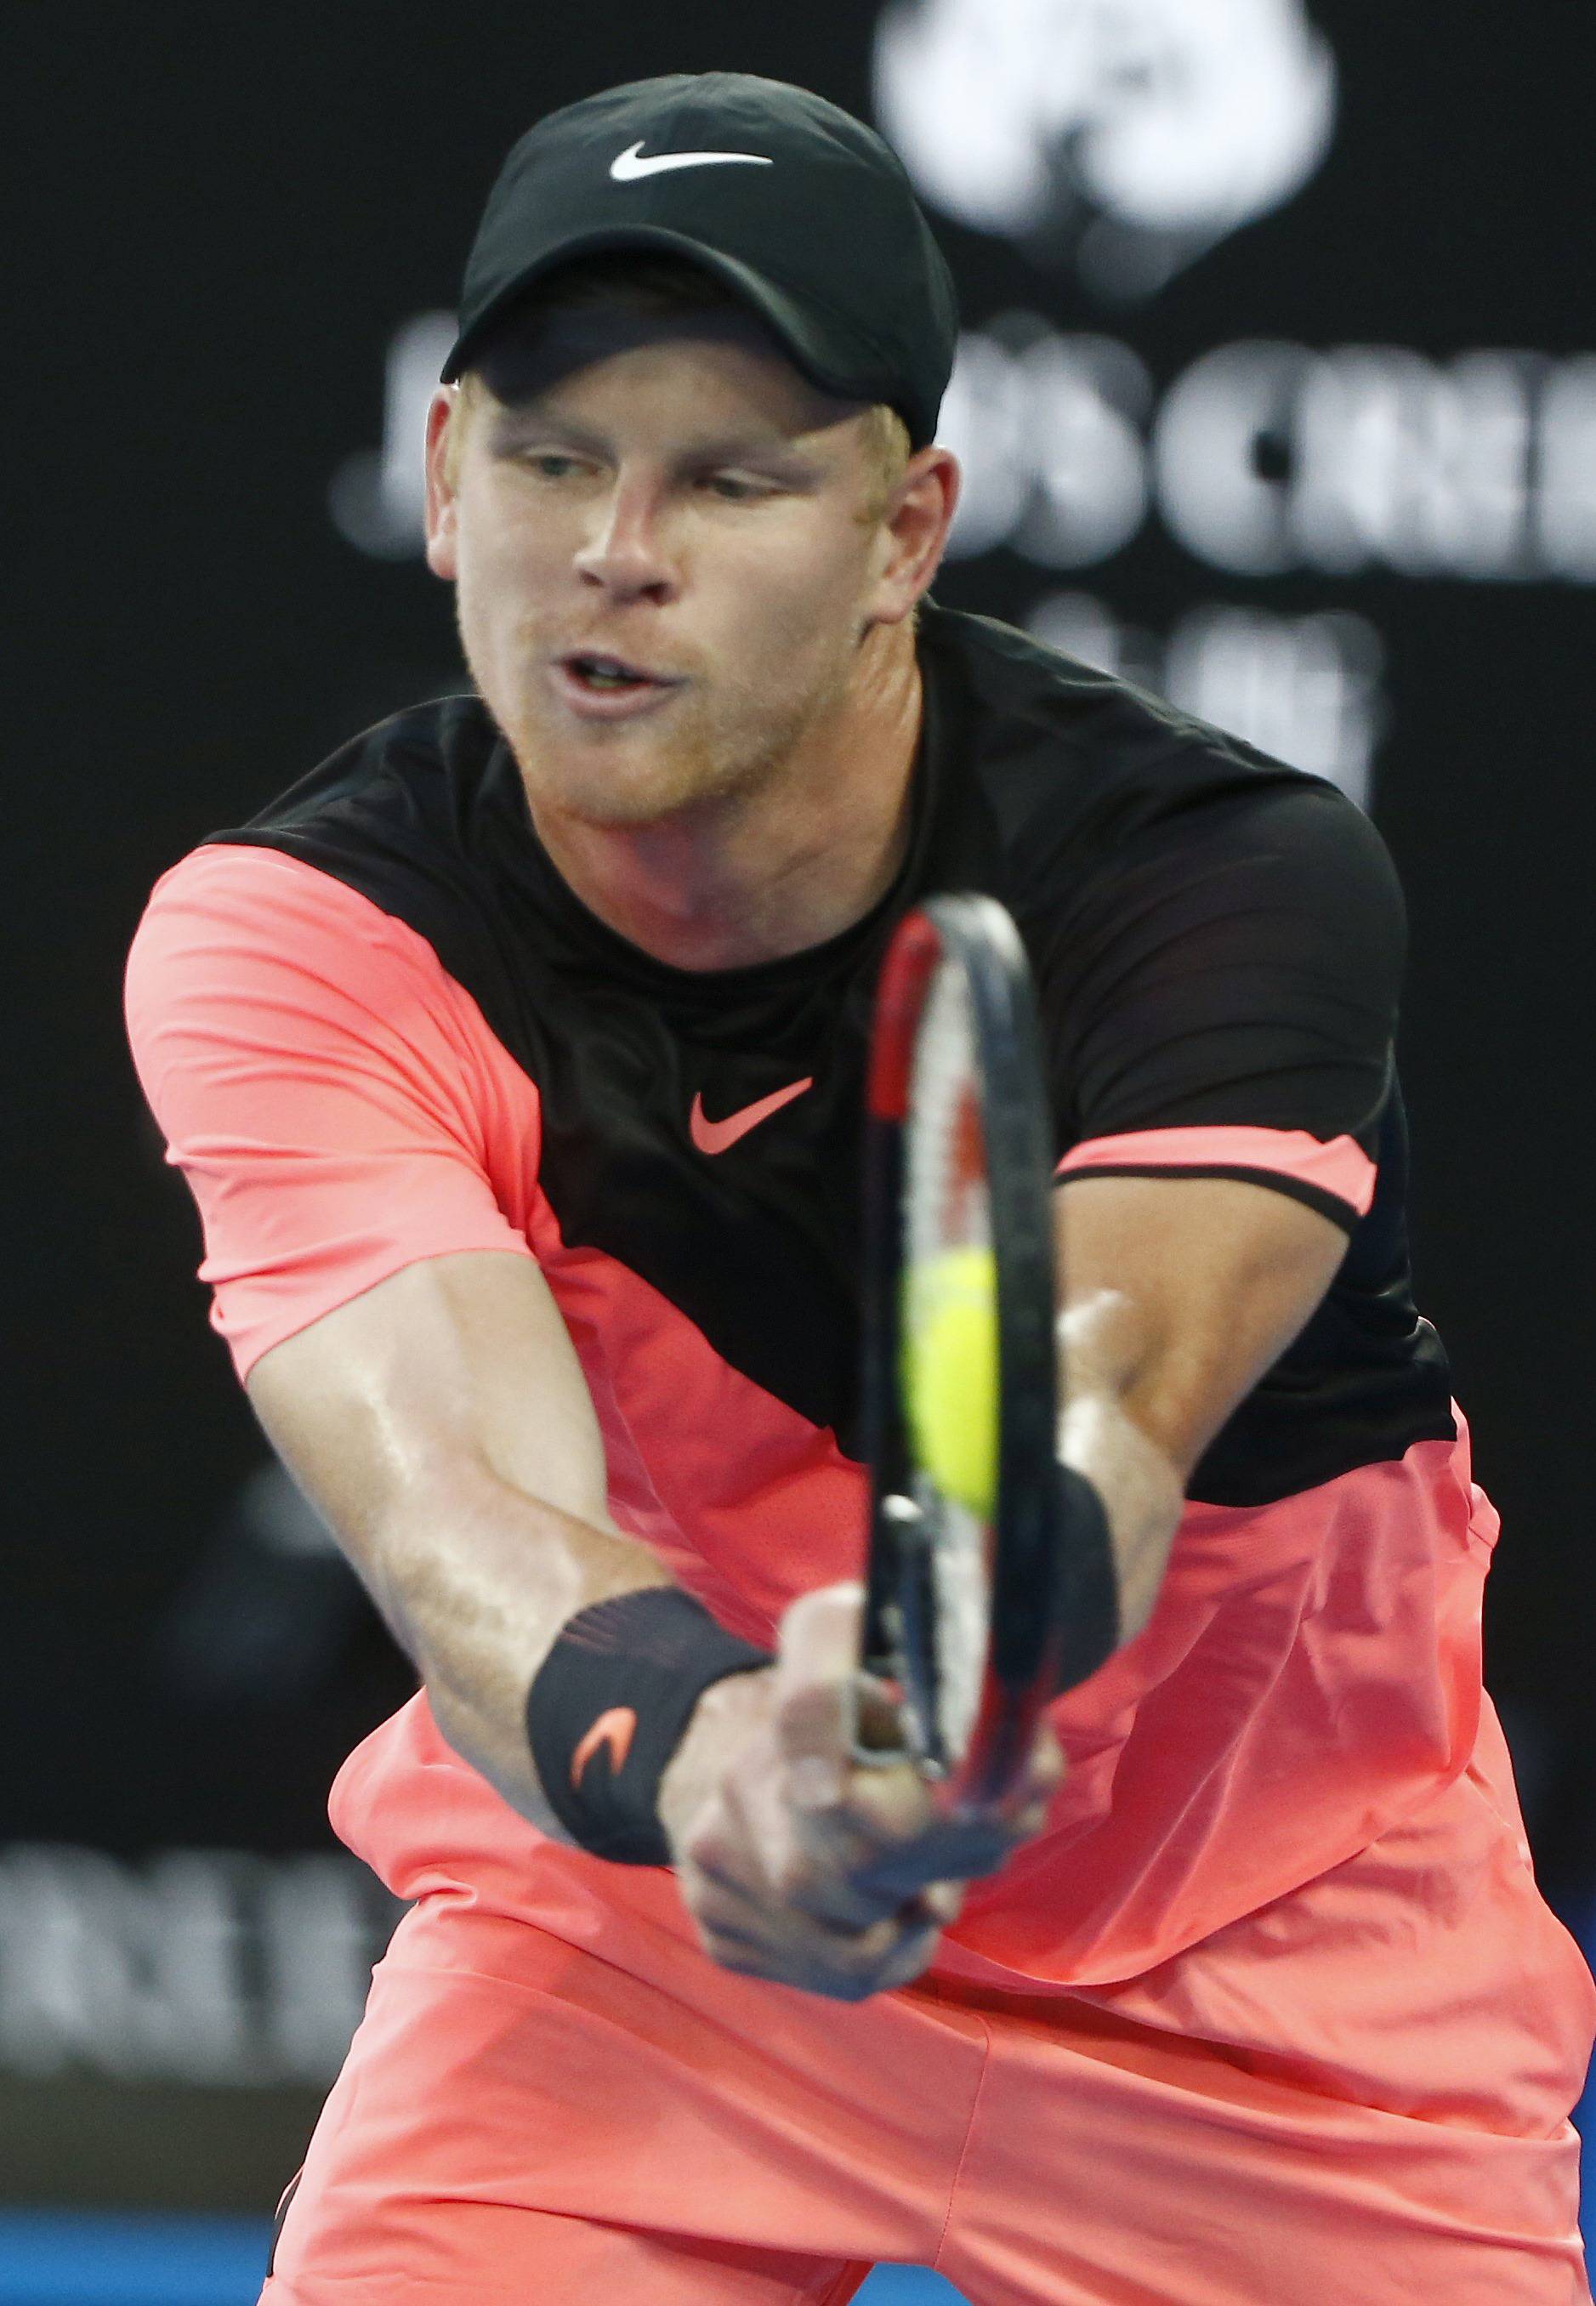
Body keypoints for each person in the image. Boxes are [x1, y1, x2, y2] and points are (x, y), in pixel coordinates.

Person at [124, 69, 1593, 2306]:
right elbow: (463, 1524)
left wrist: (956, 1670)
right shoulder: (308, 935)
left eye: (729, 476)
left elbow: (1105, 1395)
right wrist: (720, 1755)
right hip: (642, 1958)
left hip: (1280, 1980)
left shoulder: (1218, 878)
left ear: (906, 528)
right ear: (443, 481)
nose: (616, 545)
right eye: (548, 458)